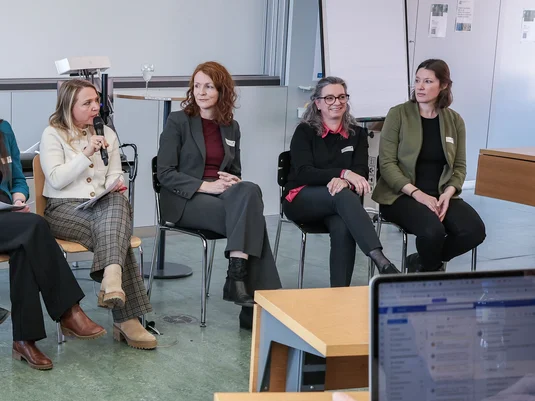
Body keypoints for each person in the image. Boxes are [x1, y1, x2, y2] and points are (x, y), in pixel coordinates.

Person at [157, 61, 282, 329]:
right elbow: (164, 173)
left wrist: (232, 180)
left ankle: (238, 278)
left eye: (209, 87)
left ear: (222, 91)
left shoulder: (230, 126)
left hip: (221, 197)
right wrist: (206, 185)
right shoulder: (178, 121)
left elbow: (234, 170)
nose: (201, 92)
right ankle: (256, 306)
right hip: (185, 200)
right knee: (253, 223)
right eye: (197, 86)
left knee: (249, 189)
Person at [40, 79, 157, 349]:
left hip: (102, 207)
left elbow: (115, 173)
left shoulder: (108, 134)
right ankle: (126, 319)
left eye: (97, 101)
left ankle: (112, 279)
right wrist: (87, 152)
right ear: (69, 106)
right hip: (63, 208)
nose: (96, 107)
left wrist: (116, 184)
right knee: (116, 232)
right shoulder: (52, 134)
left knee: (117, 204)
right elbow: (56, 179)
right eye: (87, 103)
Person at [0, 119, 106, 370]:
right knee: (35, 227)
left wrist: (18, 199)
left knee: (26, 245)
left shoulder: (3, 129)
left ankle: (24, 340)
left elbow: (18, 179)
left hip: (6, 215)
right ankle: (68, 311)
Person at [283, 76, 398, 287]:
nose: (336, 102)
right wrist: (344, 174)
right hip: (302, 198)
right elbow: (304, 173)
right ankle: (381, 261)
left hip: (338, 203)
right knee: (343, 197)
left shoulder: (357, 133)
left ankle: (339, 293)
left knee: (343, 224)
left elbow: (361, 171)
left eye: (341, 97)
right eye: (329, 98)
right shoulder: (305, 131)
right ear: (317, 103)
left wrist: (346, 180)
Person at [372, 59, 486, 272]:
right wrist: (418, 194)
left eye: (428, 81)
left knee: (474, 231)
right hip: (401, 196)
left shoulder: (454, 120)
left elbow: (459, 166)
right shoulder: (398, 114)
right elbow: (387, 164)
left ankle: (422, 263)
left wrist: (448, 194)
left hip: (440, 194)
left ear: (443, 85)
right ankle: (430, 276)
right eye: (417, 81)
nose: (420, 87)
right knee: (433, 232)